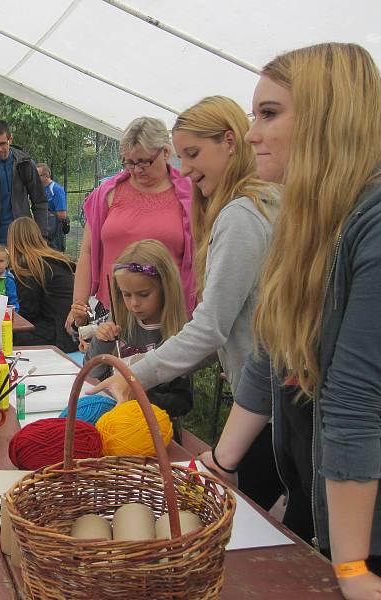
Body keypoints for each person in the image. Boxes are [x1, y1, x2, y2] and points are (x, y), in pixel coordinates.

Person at [196, 43, 381, 598]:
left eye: (269, 114)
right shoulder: (311, 218)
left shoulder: (372, 223)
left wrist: (348, 567)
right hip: (322, 503)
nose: (251, 134)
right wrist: (221, 461)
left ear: (328, 116)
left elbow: (355, 398)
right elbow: (270, 351)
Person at [88, 96, 281, 508]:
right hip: (268, 399)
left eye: (192, 154)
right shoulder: (255, 205)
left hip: (268, 403)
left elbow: (211, 327)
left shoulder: (241, 215)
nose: (186, 169)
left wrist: (133, 374)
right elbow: (223, 330)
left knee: (261, 518)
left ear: (230, 142)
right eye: (181, 156)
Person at [68, 117, 196, 335]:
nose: (136, 170)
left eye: (144, 162)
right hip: (111, 315)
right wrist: (79, 305)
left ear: (166, 153)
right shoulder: (107, 194)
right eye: (129, 162)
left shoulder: (190, 196)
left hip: (167, 318)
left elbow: (200, 258)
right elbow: (88, 252)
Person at [84, 240, 192, 418]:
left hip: (154, 432)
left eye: (143, 294)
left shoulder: (179, 336)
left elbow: (183, 402)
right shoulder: (120, 327)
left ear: (166, 289)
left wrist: (136, 393)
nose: (134, 303)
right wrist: (102, 343)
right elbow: (91, 376)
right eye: (126, 295)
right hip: (114, 421)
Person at [0, 120, 48, 257]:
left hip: (24, 241)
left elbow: (40, 202)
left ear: (10, 139)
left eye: (2, 143)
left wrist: (42, 237)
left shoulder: (25, 164)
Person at [7, 217, 75, 353]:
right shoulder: (53, 258)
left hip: (58, 336)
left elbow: (29, 311)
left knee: (6, 336)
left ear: (13, 240)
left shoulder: (28, 265)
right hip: (72, 332)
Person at [37, 164, 68, 252]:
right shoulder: (39, 189)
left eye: (37, 176)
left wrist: (46, 214)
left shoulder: (56, 189)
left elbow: (62, 215)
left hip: (54, 232)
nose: (35, 178)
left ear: (46, 176)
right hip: (43, 230)